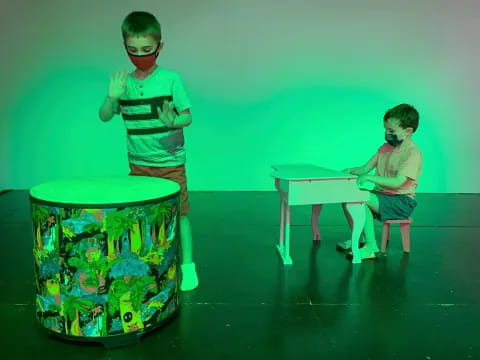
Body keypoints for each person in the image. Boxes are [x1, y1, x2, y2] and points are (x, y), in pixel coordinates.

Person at [98, 11, 198, 290]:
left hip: (170, 162)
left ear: (159, 47)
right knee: (141, 216)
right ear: (125, 48)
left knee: (180, 214)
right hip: (138, 164)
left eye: (146, 50)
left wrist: (173, 120)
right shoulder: (123, 83)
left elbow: (187, 116)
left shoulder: (171, 79)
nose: (139, 55)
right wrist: (111, 97)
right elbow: (105, 116)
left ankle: (188, 266)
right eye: (133, 50)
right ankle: (148, 264)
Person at [339, 104, 423, 260]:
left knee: (360, 198)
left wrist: (370, 178)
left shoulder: (413, 153)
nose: (387, 134)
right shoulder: (384, 148)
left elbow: (398, 182)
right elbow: (365, 168)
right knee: (348, 198)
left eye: (391, 131)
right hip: (382, 196)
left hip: (401, 201)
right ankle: (360, 239)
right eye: (386, 129)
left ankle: (371, 247)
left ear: (408, 131)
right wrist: (350, 170)